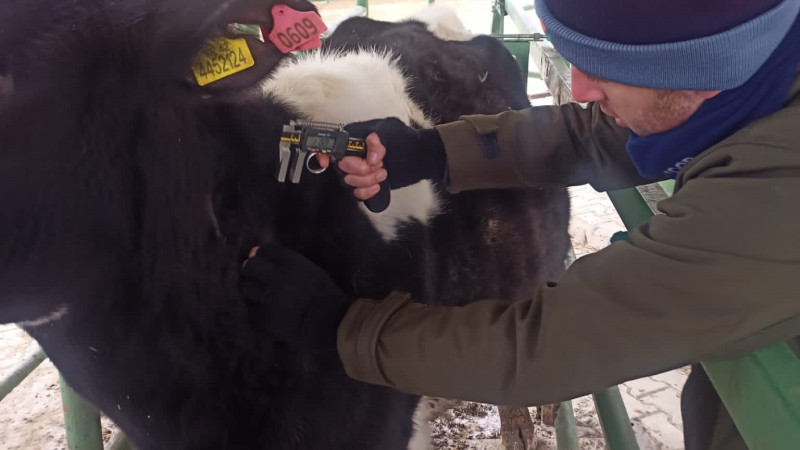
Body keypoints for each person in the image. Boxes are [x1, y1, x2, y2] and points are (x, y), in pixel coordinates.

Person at [239, 0, 800, 448]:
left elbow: (551, 345)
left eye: (613, 68)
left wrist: (337, 325)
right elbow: (593, 134)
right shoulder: (756, 76)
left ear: (698, 68)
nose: (578, 89)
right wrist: (432, 151)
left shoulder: (777, 193)